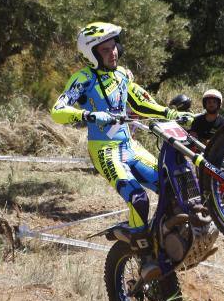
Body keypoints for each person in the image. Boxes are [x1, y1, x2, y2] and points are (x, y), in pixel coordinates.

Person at [50, 21, 192, 238]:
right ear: (91, 55)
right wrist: (88, 115)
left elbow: (142, 103)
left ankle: (167, 238)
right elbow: (57, 111)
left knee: (172, 186)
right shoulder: (83, 79)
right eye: (105, 50)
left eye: (114, 47)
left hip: (130, 146)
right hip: (105, 150)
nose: (113, 53)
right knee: (139, 199)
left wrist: (170, 114)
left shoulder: (122, 75)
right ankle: (138, 244)